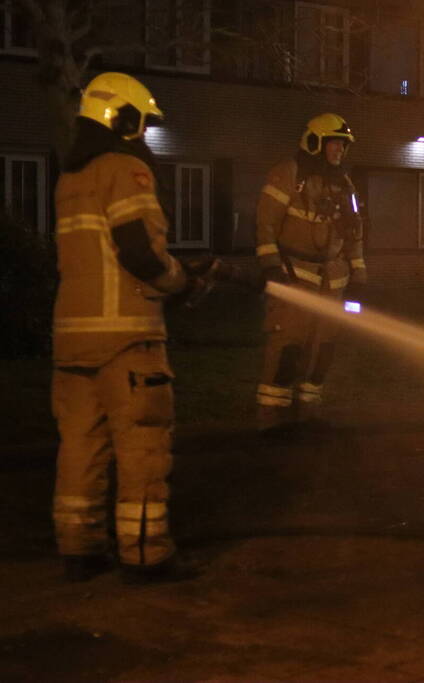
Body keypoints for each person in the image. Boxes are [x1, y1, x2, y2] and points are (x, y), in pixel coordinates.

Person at [51, 72, 211, 583]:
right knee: (143, 447)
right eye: (140, 122)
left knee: (81, 447)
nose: (143, 134)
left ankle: (80, 549)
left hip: (72, 341)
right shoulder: (125, 169)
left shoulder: (69, 179)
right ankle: (146, 554)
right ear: (120, 118)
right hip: (127, 339)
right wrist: (181, 282)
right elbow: (140, 253)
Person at [254, 113, 367, 434]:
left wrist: (359, 277)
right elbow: (265, 224)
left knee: (324, 347)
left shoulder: (345, 184)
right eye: (334, 144)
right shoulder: (288, 174)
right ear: (315, 142)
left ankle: (307, 414)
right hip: (295, 274)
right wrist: (271, 266)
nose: (339, 150)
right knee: (288, 344)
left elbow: (354, 233)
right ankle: (272, 417)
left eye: (343, 146)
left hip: (333, 279)